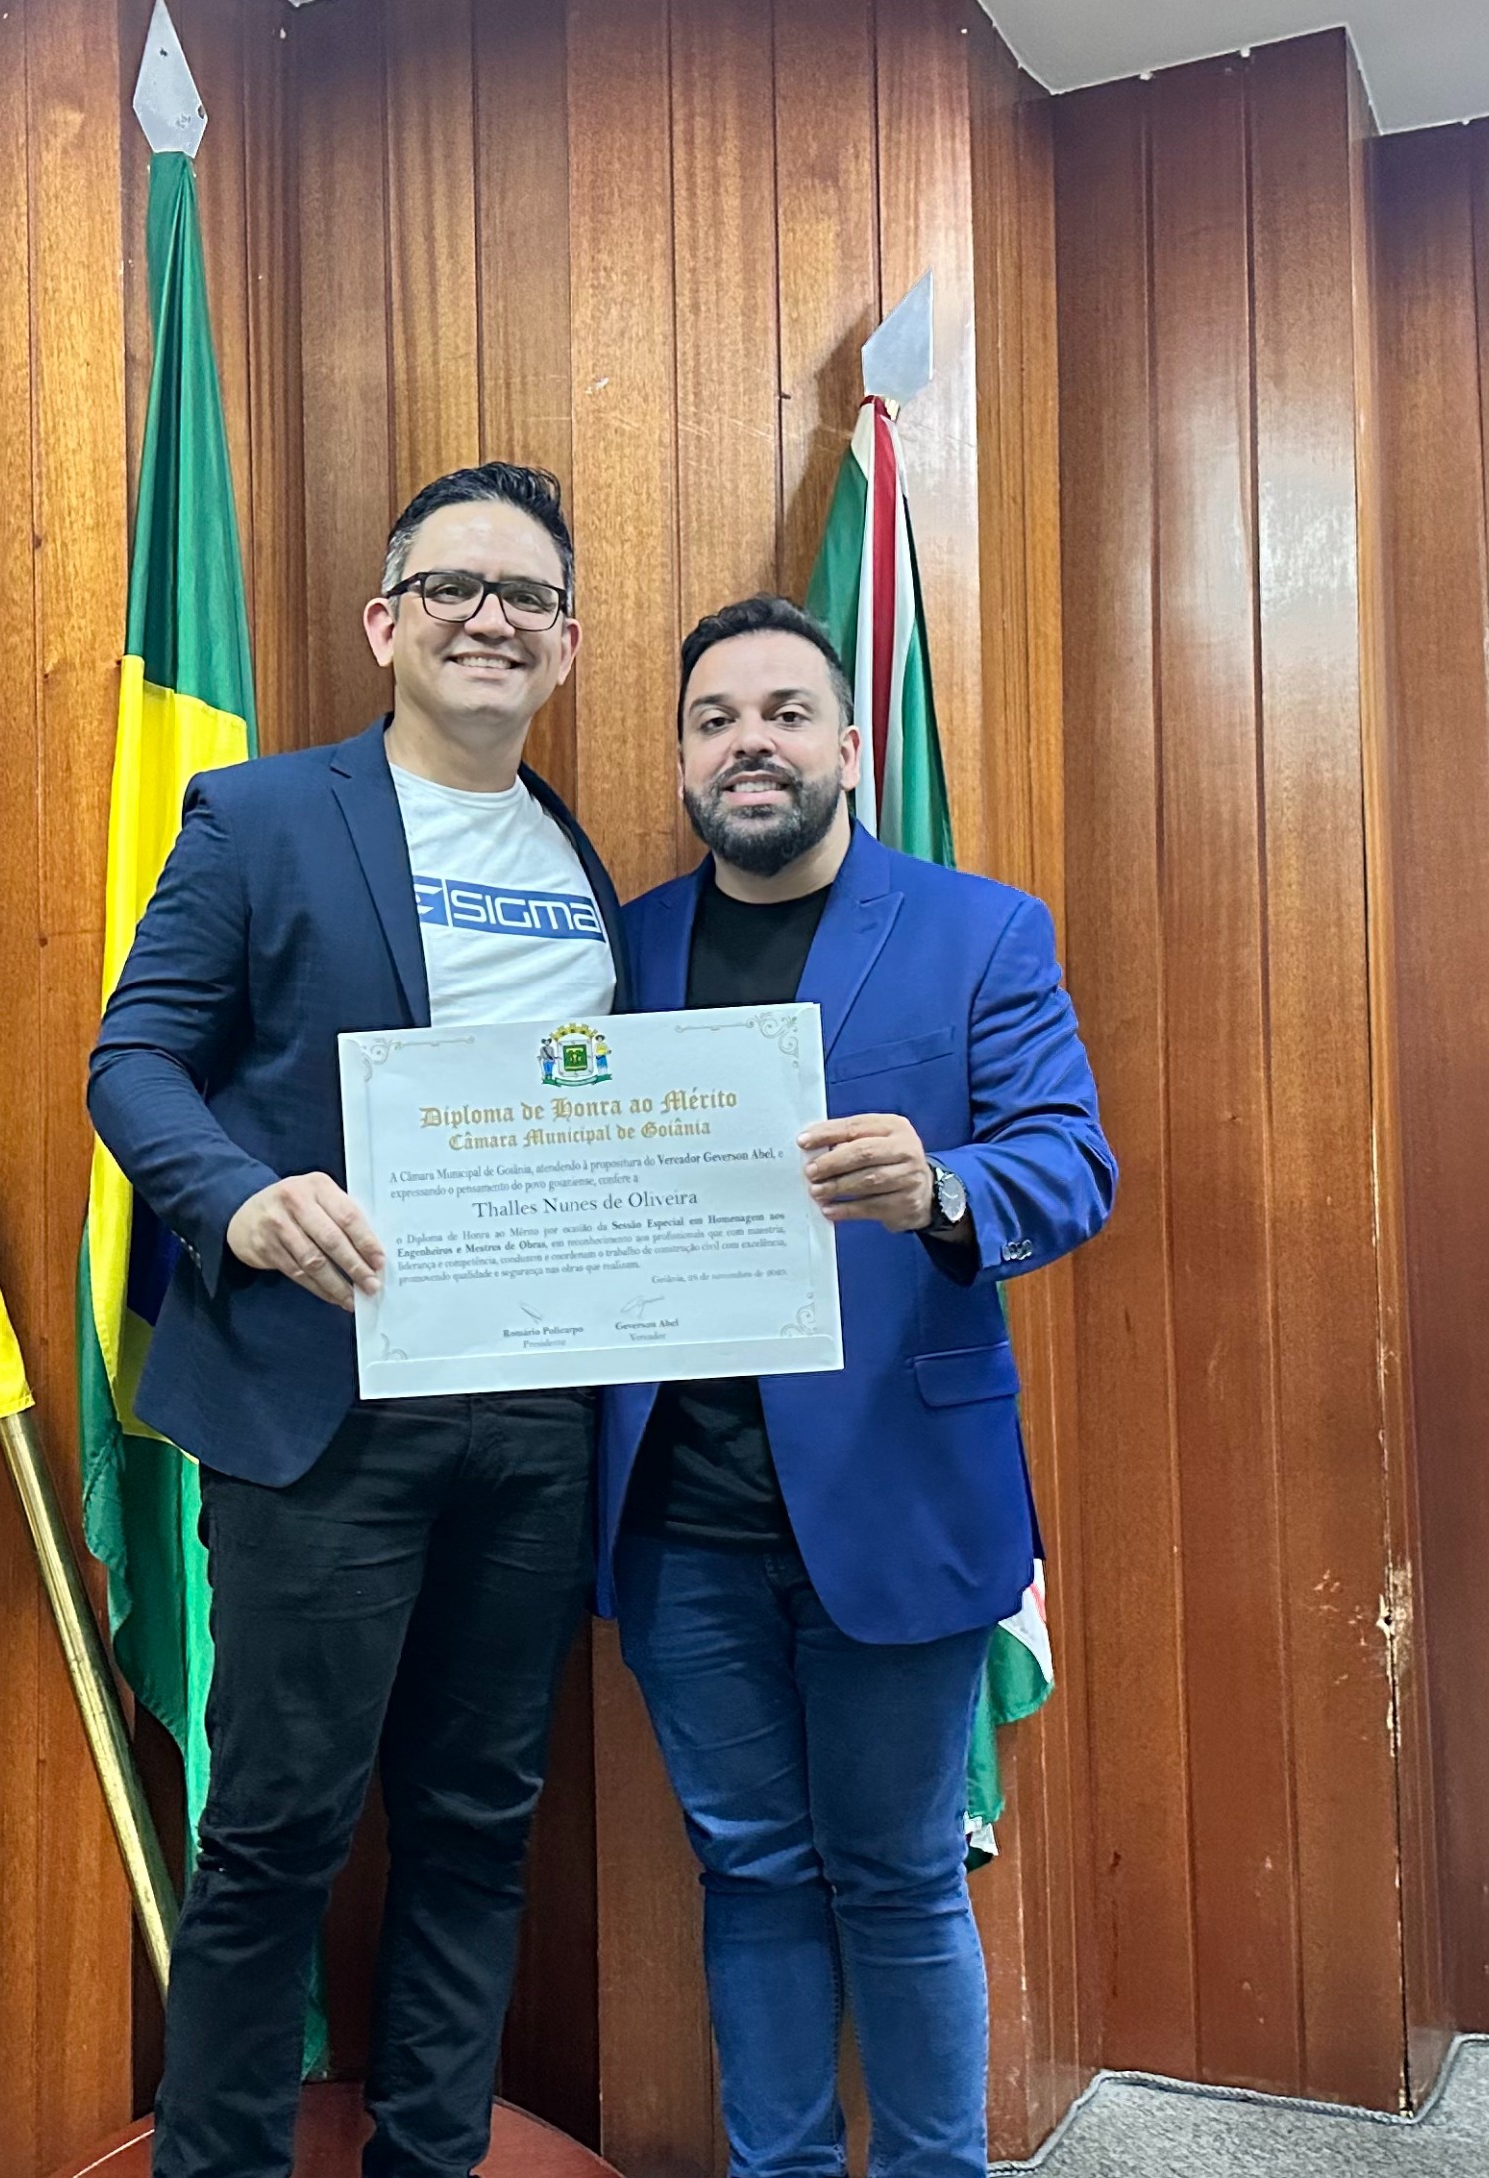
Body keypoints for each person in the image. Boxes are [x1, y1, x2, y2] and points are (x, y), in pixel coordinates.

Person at [89, 462, 630, 2178]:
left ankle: (427, 2158)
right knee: (273, 1834)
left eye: (528, 596)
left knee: (477, 1825)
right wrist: (238, 1198)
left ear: (564, 647)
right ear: (386, 622)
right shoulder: (260, 817)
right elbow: (133, 1058)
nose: (492, 617)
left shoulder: (582, 863)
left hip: (533, 1417)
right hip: (316, 1411)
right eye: (455, 586)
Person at [593, 597, 1115, 2178]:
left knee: (898, 1875)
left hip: (900, 1492)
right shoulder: (618, 949)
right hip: (677, 1515)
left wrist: (944, 1186)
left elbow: (1070, 1163)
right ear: (684, 761)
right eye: (712, 719)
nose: (746, 741)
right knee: (748, 1872)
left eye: (781, 711)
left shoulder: (981, 929)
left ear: (847, 743)